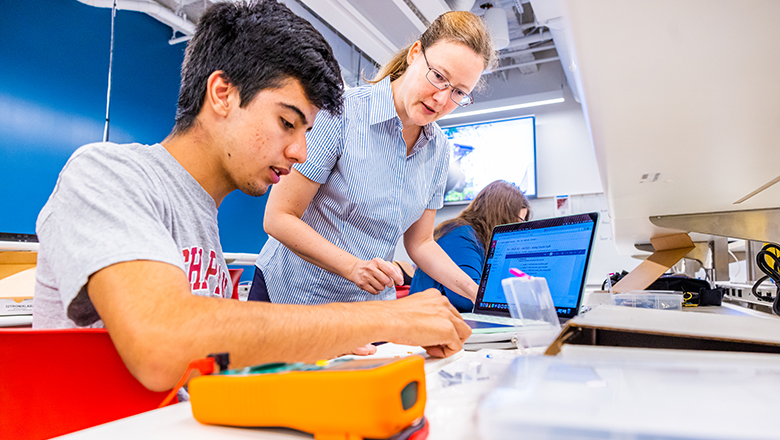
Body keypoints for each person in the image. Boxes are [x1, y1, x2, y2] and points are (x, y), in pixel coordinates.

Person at [32, 0, 470, 392]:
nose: (299, 152)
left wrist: (326, 343)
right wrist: (382, 318)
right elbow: (162, 345)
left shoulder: (202, 217)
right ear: (222, 94)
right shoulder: (105, 173)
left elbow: (209, 367)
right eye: (286, 122)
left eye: (306, 132)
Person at [252, 11, 497, 306]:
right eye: (439, 77)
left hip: (368, 306)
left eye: (459, 92)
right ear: (415, 54)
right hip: (295, 296)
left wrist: (481, 294)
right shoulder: (341, 112)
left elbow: (420, 243)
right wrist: (352, 267)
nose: (442, 100)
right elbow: (278, 217)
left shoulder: (439, 149)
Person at [409, 181, 530, 312]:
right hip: (429, 322)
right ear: (501, 214)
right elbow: (466, 300)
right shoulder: (459, 235)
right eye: (518, 222)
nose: (519, 230)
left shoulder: (476, 238)